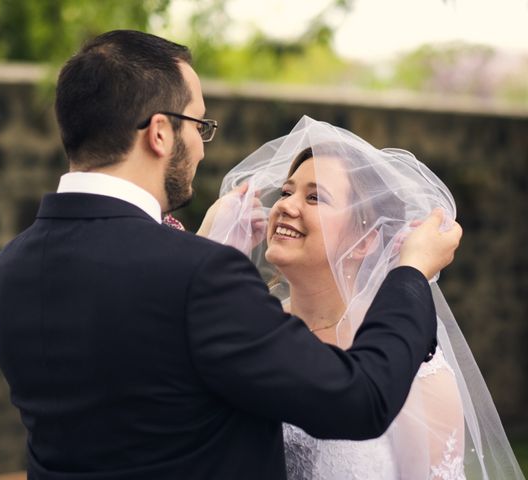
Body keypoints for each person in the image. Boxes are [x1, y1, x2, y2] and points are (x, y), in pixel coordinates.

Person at [0, 30, 462, 480]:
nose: (202, 148)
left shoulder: (5, 272)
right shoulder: (198, 274)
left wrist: (200, 247)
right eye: (199, 125)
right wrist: (411, 273)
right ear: (161, 134)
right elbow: (361, 401)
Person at [206, 116, 524, 479]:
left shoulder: (412, 364)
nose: (287, 206)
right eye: (286, 192)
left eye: (314, 197)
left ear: (366, 240)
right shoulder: (254, 325)